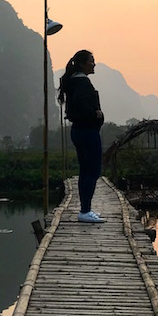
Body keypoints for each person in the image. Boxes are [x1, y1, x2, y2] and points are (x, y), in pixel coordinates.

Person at [58, 50, 105, 223]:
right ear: (82, 64)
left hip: (78, 131)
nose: (94, 64)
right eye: (91, 61)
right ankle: (85, 211)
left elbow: (75, 104)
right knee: (93, 171)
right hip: (87, 132)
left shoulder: (74, 82)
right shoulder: (83, 82)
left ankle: (86, 210)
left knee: (85, 171)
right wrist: (96, 114)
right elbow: (79, 104)